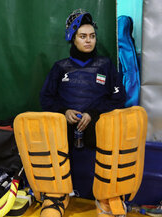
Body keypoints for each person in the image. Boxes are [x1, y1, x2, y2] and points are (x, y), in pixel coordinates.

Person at [40, 9, 126, 150]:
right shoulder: (60, 67)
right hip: (63, 141)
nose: (88, 40)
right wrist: (64, 111)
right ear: (73, 38)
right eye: (83, 36)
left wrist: (94, 113)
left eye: (92, 36)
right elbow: (46, 98)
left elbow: (119, 98)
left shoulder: (105, 65)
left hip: (100, 139)